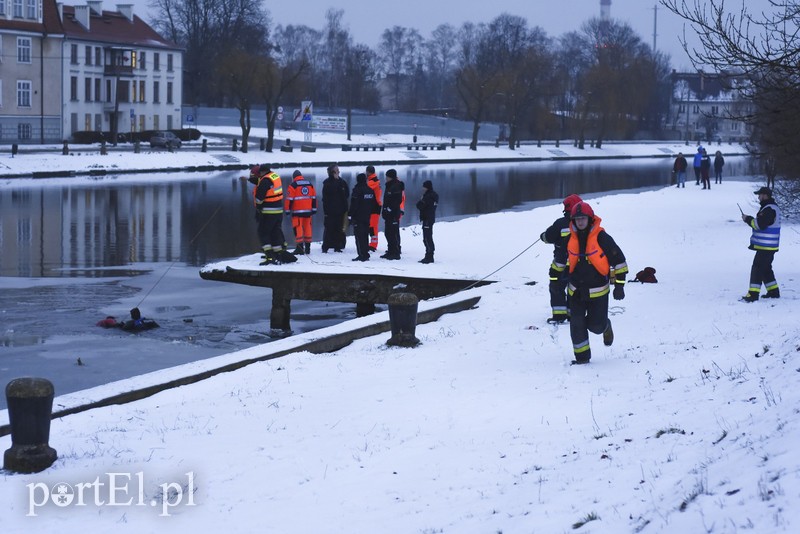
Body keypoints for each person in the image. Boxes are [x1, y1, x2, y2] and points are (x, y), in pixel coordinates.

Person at [566, 201, 628, 364]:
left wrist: (619, 285)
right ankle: (582, 358)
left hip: (598, 292)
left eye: (583, 218)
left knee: (596, 326)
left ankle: (605, 326)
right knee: (576, 323)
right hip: (576, 292)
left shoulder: (602, 238)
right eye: (577, 219)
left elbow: (619, 261)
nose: (580, 222)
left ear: (590, 219)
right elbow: (569, 262)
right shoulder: (571, 238)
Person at [540, 194, 583, 323]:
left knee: (556, 286)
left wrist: (542, 236)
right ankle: (572, 314)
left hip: (561, 264)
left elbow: (548, 237)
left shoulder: (560, 223)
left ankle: (559, 315)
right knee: (574, 289)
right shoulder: (584, 222)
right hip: (580, 264)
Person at [249, 164, 296, 265]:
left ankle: (269, 257)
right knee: (275, 232)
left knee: (263, 233)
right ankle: (278, 253)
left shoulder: (265, 181)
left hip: (268, 212)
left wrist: (258, 207)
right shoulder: (274, 176)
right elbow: (262, 183)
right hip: (278, 211)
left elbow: (259, 198)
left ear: (262, 172)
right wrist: (248, 180)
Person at [740, 186, 781, 302]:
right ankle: (773, 291)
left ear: (765, 195)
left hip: (766, 246)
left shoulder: (768, 209)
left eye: (760, 195)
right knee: (766, 268)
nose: (758, 197)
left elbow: (760, 225)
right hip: (768, 246)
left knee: (757, 268)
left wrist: (748, 219)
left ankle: (753, 295)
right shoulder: (770, 208)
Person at [284, 169, 317, 255]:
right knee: (308, 228)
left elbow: (289, 200)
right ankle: (308, 248)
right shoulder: (309, 184)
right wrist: (314, 209)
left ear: (293, 177)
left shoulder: (293, 185)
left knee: (298, 229)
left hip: (297, 213)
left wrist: (287, 211)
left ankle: (300, 249)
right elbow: (313, 198)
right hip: (308, 212)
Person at [348, 173, 379, 262]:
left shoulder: (357, 190)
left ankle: (362, 255)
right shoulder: (370, 190)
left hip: (358, 217)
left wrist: (350, 215)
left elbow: (354, 204)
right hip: (367, 216)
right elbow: (374, 204)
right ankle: (365, 253)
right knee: (365, 235)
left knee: (359, 236)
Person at [321, 164, 349, 253]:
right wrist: (326, 211)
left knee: (339, 229)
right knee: (329, 228)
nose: (339, 172)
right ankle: (325, 247)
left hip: (340, 210)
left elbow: (346, 194)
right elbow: (325, 198)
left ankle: (338, 246)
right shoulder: (327, 183)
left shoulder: (342, 182)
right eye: (337, 170)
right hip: (330, 211)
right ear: (333, 172)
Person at [381, 168, 405, 260]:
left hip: (393, 214)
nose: (386, 178)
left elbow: (397, 200)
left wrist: (390, 209)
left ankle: (395, 252)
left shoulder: (396, 186)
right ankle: (390, 251)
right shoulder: (389, 185)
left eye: (387, 176)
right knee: (388, 233)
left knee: (393, 233)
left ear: (391, 177)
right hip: (388, 214)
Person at [416, 180, 439, 264]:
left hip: (427, 219)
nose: (422, 188)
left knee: (427, 238)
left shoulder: (428, 196)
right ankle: (429, 255)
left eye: (424, 187)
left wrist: (421, 199)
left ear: (427, 187)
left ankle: (429, 256)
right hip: (430, 218)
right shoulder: (434, 195)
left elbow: (419, 206)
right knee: (428, 237)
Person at [365, 165, 383, 252]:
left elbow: (365, 188)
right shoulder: (375, 180)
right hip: (375, 206)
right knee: (372, 226)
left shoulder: (372, 182)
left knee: (372, 226)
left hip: (374, 207)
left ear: (368, 172)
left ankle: (373, 245)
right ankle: (372, 244)